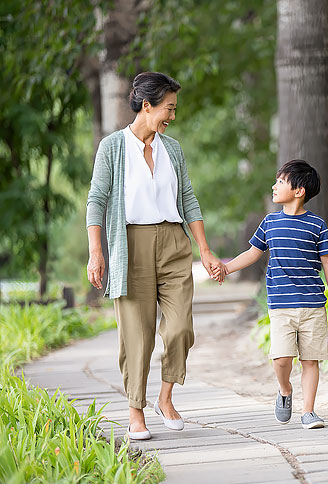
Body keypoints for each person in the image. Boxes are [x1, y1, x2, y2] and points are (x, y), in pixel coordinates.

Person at [86, 72, 225, 440]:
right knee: (138, 335)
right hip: (130, 245)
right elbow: (96, 200)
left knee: (180, 327)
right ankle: (136, 413)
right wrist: (96, 252)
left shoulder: (172, 149)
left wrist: (205, 251)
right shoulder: (112, 147)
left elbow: (189, 200)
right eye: (168, 108)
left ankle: (166, 396)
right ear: (146, 106)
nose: (172, 117)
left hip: (174, 244)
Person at [214, 159, 328, 429]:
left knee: (310, 360)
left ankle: (308, 412)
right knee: (281, 359)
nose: (274, 186)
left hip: (313, 304)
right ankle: (285, 391)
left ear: (299, 191)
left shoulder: (317, 225)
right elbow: (252, 253)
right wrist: (226, 268)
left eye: (280, 182)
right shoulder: (270, 222)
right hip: (281, 305)